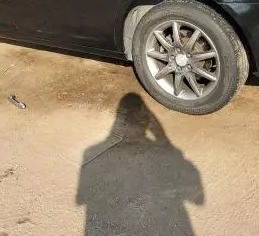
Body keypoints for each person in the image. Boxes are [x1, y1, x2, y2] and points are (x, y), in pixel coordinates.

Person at [76, 93, 204, 235]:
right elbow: (197, 198)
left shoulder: (92, 153)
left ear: (120, 121)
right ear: (145, 123)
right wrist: (163, 139)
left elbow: (81, 199)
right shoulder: (162, 154)